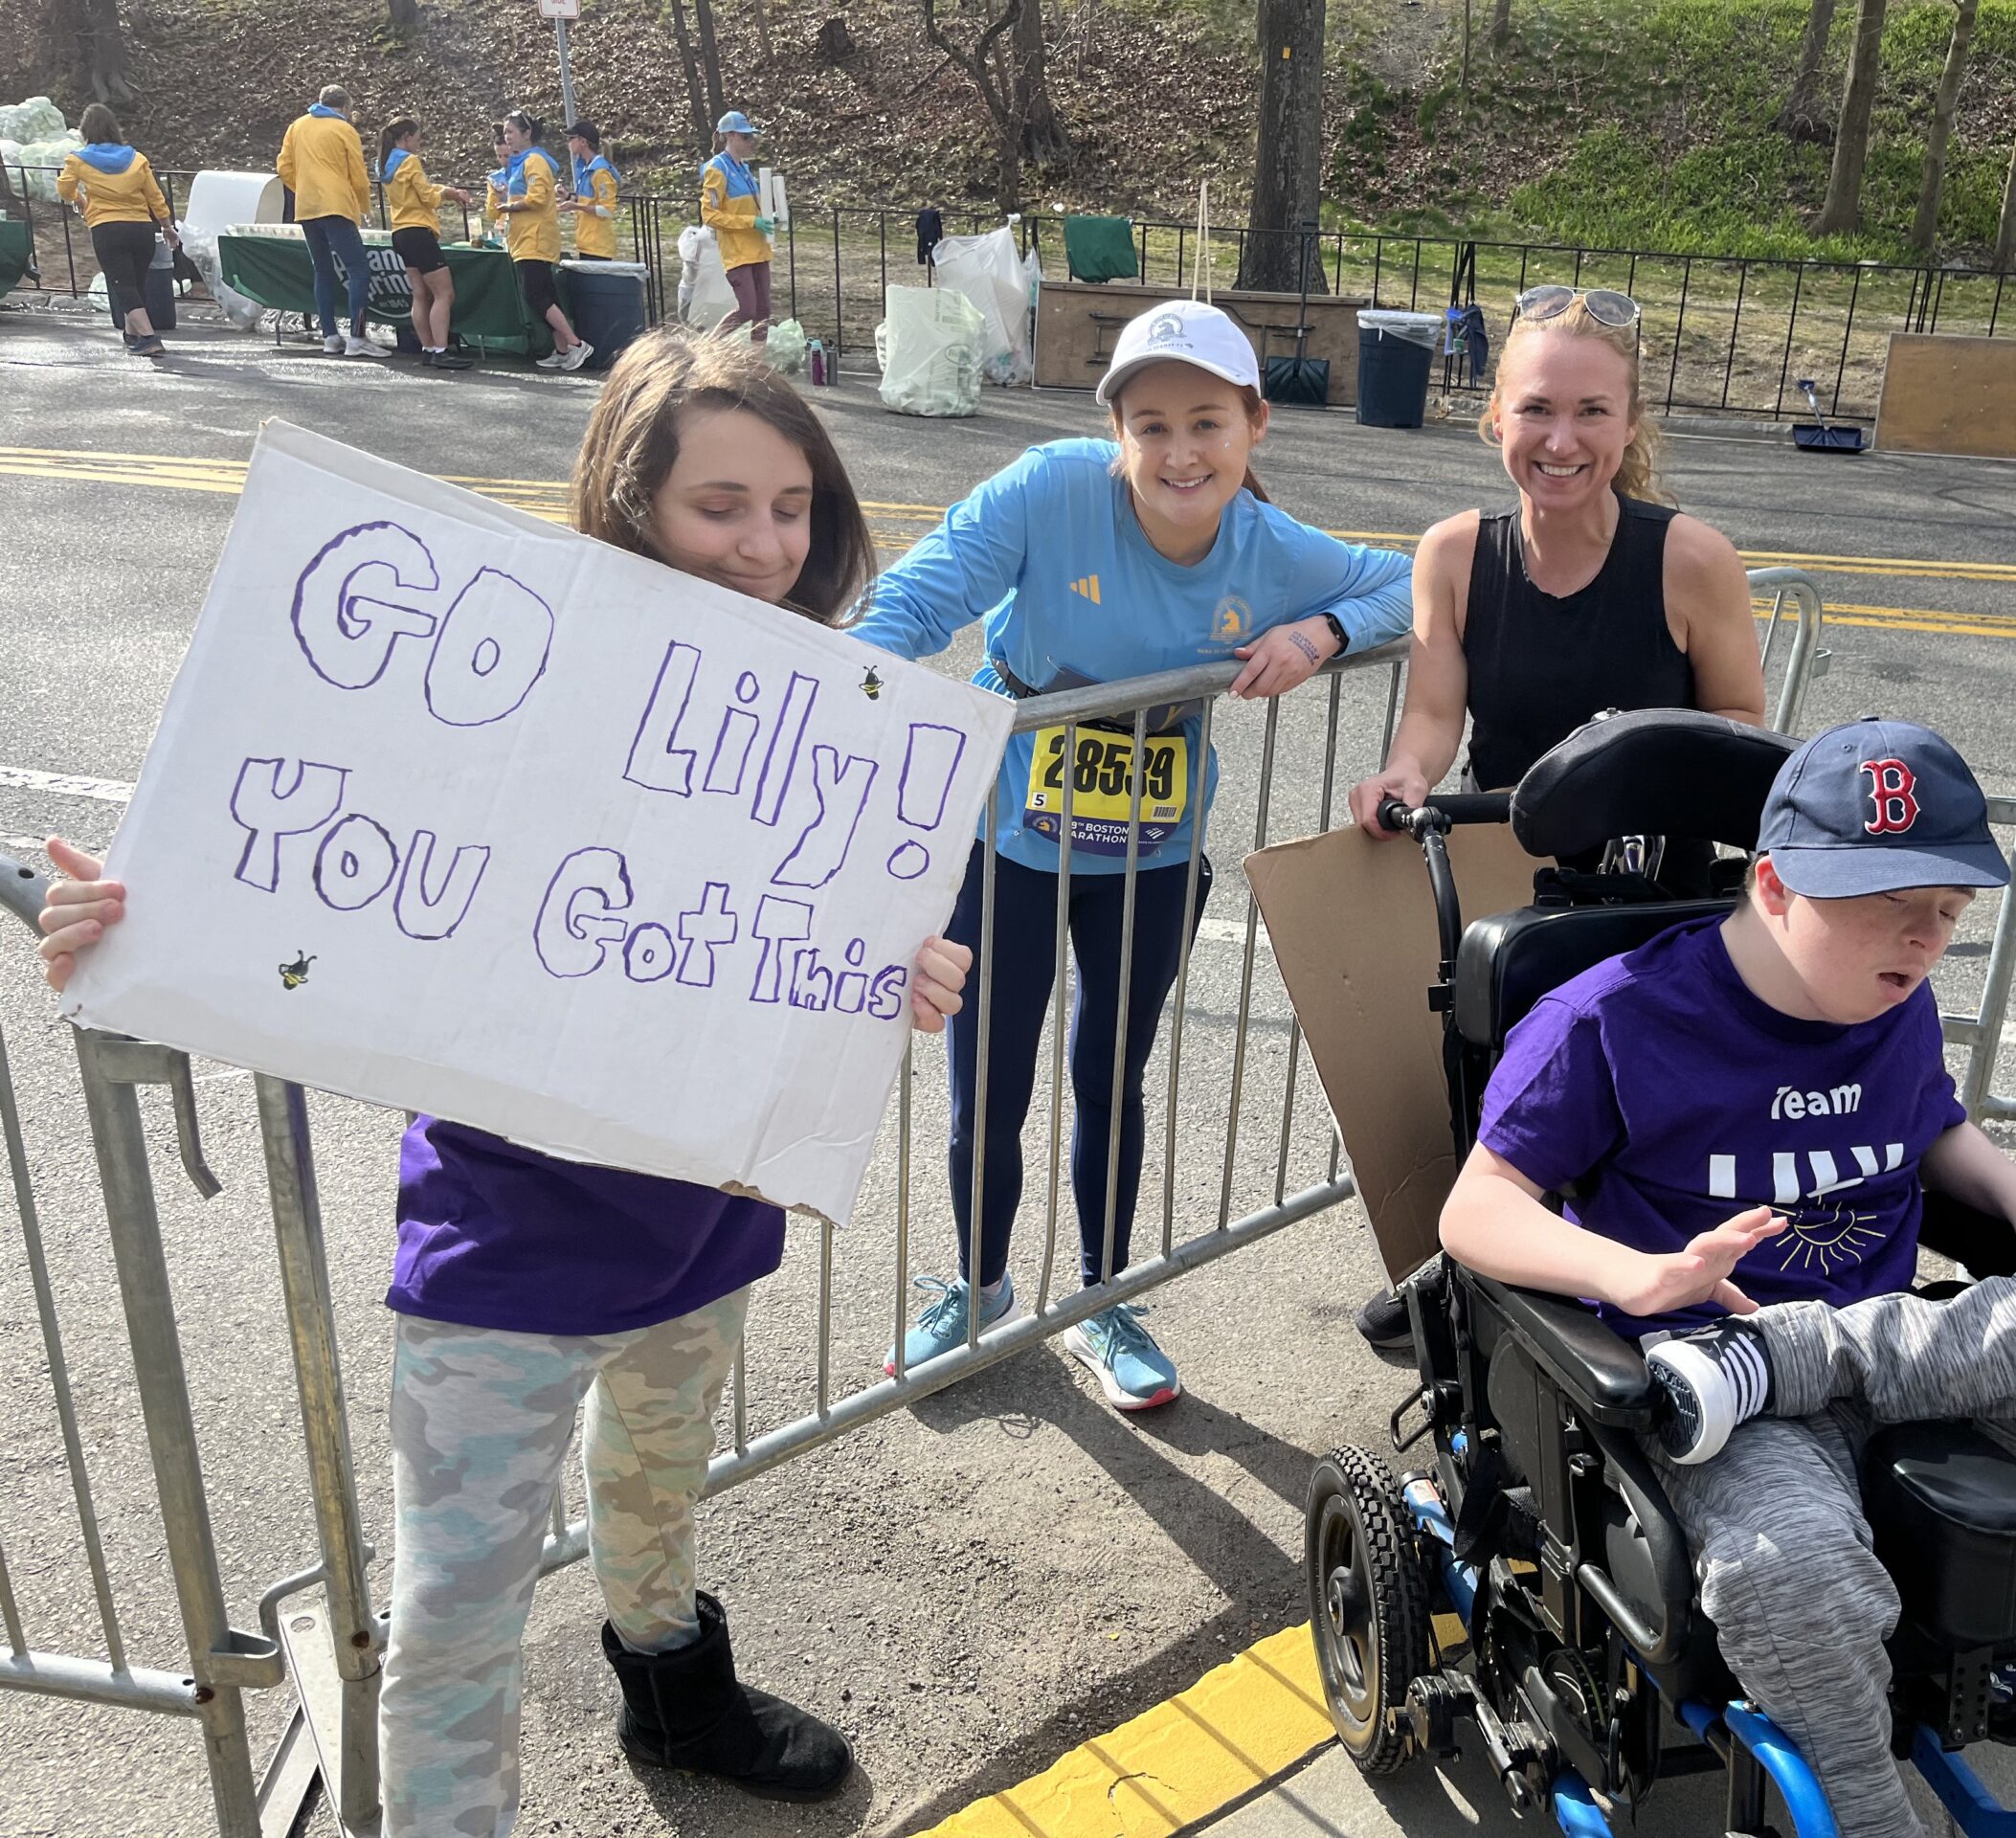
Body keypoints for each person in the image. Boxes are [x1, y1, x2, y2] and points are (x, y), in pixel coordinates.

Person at [36, 329, 973, 1834]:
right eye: (721, 504)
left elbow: (802, 948)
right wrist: (122, 928)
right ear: (630, 498)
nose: (765, 543)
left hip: (705, 1231)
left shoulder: (819, 717)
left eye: (792, 505)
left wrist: (900, 978)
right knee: (456, 1624)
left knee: (657, 1500)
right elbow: (315, 866)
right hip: (504, 1255)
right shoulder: (509, 679)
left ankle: (677, 1696)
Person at [1439, 717, 2016, 1838]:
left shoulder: (1892, 1004)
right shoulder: (1605, 1016)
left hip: (1895, 1365)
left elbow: (1930, 1125)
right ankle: (1868, 1816)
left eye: (1945, 914)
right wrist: (1644, 1277)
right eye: (1884, 905)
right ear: (1772, 885)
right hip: (1724, 1405)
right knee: (1790, 1571)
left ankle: (1798, 1355)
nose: (1918, 940)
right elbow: (1472, 1211)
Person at [856, 300, 1415, 1409]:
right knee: (988, 1080)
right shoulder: (1049, 489)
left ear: (1254, 427)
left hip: (1152, 859)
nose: (1178, 452)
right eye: (1150, 424)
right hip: (1006, 841)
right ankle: (977, 1285)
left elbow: (1405, 583)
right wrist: (839, 694)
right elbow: (916, 600)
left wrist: (1320, 634)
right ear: (1115, 433)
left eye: (1207, 422)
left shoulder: (1267, 545)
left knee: (1112, 1077)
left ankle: (1104, 1299)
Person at [1345, 284, 1767, 1353]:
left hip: (1657, 895)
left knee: (1631, 1097)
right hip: (1513, 877)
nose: (1561, 439)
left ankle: (1641, 1270)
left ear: (1629, 427)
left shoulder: (1689, 559)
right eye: (1536, 409)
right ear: (1496, 417)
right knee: (1487, 1079)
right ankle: (1473, 1262)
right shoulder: (1454, 554)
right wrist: (1398, 776)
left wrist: (1639, 763)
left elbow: (1739, 725)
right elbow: (1435, 716)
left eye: (1590, 412)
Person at [55, 104, 176, 361]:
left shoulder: (78, 159)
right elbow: (155, 196)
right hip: (142, 228)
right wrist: (167, 227)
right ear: (114, 128)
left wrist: (79, 199)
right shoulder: (137, 159)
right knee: (136, 282)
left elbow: (64, 189)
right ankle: (132, 336)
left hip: (107, 228)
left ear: (85, 130)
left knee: (122, 284)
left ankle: (148, 337)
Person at [276, 84, 381, 357]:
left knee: (322, 270)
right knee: (358, 269)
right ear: (346, 107)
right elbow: (357, 174)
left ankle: (330, 335)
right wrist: (363, 206)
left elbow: (283, 167)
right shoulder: (345, 130)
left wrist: (302, 189)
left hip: (307, 207)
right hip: (336, 206)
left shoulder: (296, 126)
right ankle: (357, 336)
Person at [377, 117, 474, 370]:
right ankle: (442, 351)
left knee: (420, 295)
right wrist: (449, 194)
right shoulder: (410, 161)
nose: (420, 143)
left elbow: (419, 190)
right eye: (418, 137)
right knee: (444, 293)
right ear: (407, 137)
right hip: (419, 230)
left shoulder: (387, 164)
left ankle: (428, 348)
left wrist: (443, 189)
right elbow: (427, 196)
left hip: (400, 232)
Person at [499, 111, 592, 370]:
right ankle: (561, 349)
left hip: (536, 237)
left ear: (527, 134)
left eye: (511, 132)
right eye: (505, 133)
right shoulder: (520, 163)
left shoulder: (535, 160)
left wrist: (509, 206)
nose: (507, 138)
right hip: (524, 237)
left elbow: (538, 198)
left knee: (535, 293)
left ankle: (575, 344)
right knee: (547, 293)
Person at [700, 110, 774, 340]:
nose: (750, 142)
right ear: (730, 136)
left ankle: (757, 364)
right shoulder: (717, 169)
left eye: (751, 137)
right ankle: (709, 345)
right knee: (748, 309)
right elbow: (710, 215)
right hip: (738, 252)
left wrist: (770, 217)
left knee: (763, 312)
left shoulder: (744, 168)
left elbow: (750, 207)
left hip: (758, 249)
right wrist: (752, 222)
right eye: (745, 137)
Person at [563, 121, 621, 260]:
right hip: (587, 243)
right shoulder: (586, 168)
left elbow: (607, 210)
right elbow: (586, 201)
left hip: (598, 246)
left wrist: (576, 206)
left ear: (583, 141)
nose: (568, 142)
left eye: (571, 138)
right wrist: (567, 197)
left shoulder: (600, 172)